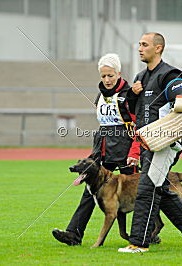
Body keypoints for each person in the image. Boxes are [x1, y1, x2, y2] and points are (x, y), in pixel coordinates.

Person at [118, 33, 182, 253]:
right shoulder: (140, 77)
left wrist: (179, 108)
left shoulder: (169, 75)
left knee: (147, 188)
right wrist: (131, 94)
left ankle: (139, 243)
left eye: (145, 44)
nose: (140, 48)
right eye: (139, 44)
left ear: (158, 48)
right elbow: (129, 111)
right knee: (160, 189)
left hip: (165, 145)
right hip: (147, 143)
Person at [52, 53, 140, 245]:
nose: (106, 80)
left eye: (110, 75)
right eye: (103, 76)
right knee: (89, 191)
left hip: (125, 150)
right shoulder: (99, 96)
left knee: (136, 191)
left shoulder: (129, 95)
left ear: (119, 73)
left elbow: (137, 126)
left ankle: (143, 234)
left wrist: (134, 152)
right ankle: (73, 234)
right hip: (102, 148)